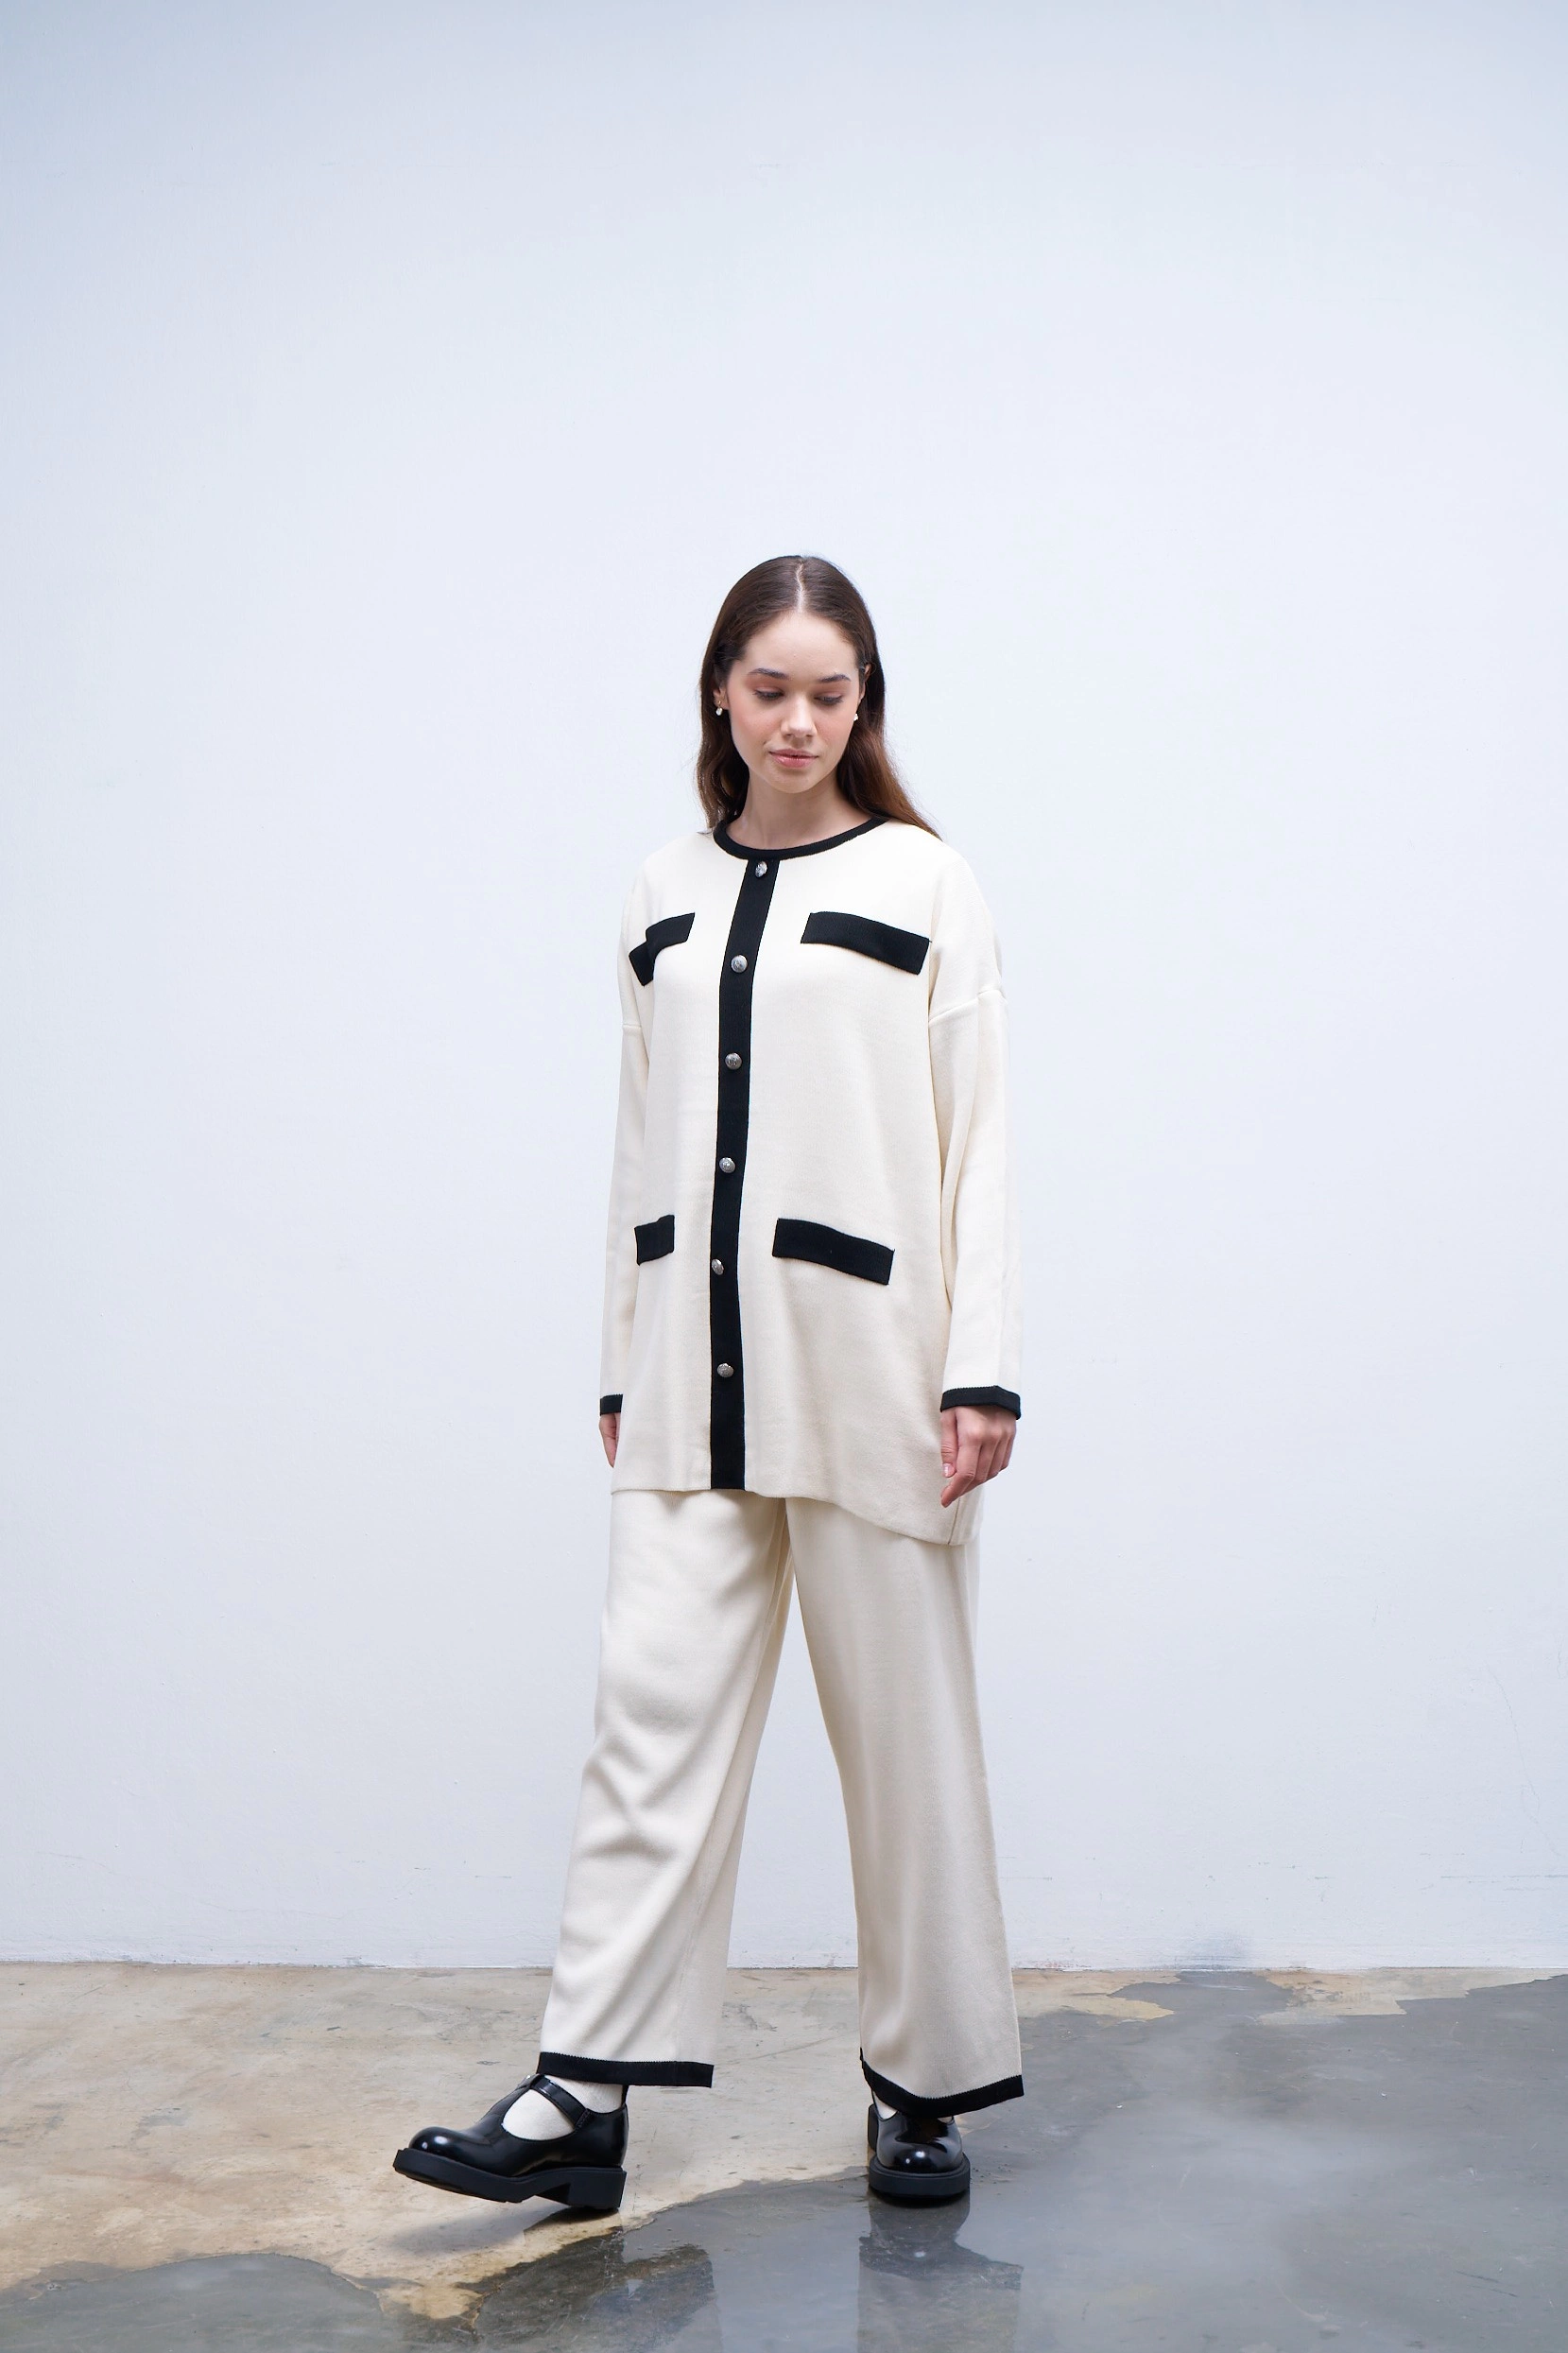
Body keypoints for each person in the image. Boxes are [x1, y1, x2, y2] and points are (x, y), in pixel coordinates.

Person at [394, 555, 1023, 2215]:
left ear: (862, 706)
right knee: (647, 1728)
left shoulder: (927, 882)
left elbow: (978, 1141)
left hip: (878, 1370)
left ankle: (924, 2088)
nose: (798, 720)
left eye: (830, 693)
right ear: (720, 696)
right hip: (688, 1369)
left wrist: (982, 1373)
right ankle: (581, 2096)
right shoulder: (659, 888)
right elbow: (635, 1143)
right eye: (770, 689)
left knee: (905, 1744)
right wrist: (622, 1355)